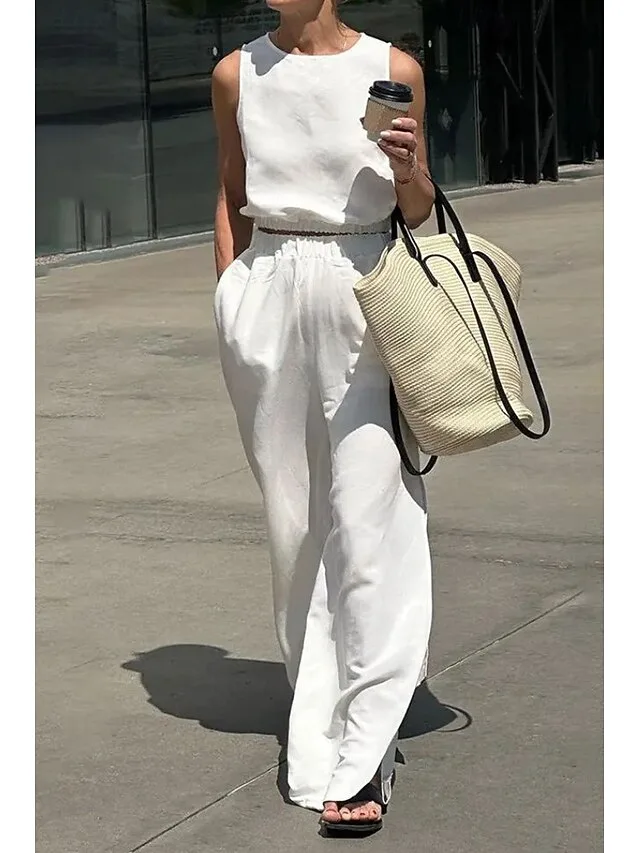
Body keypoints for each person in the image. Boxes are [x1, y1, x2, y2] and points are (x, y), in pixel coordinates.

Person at [211, 0, 435, 836]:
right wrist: (231, 298)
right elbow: (230, 193)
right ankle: (320, 714)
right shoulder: (236, 72)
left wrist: (407, 169)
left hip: (365, 287)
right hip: (269, 294)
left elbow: (420, 208)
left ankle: (364, 748)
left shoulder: (392, 67)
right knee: (296, 523)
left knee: (373, 515)